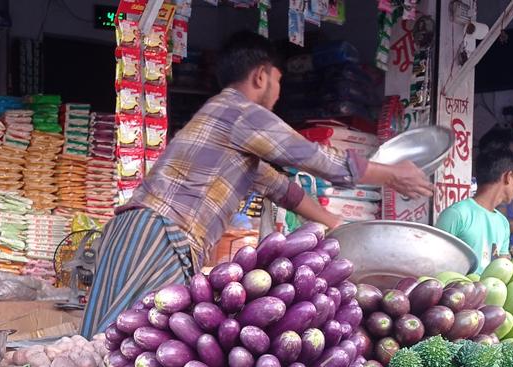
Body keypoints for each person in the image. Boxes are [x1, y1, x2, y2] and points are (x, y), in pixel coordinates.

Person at [79, 32, 434, 337]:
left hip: (135, 232)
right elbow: (314, 159)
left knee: (102, 347)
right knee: (118, 348)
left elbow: (283, 189)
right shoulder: (239, 112)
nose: (279, 92)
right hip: (158, 236)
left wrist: (338, 226)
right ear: (262, 76)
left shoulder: (227, 130)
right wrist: (390, 173)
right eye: (279, 81)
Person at [435, 151, 513, 274]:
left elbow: (502, 269)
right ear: (508, 176)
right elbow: (434, 264)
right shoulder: (456, 214)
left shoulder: (503, 223)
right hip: (457, 292)